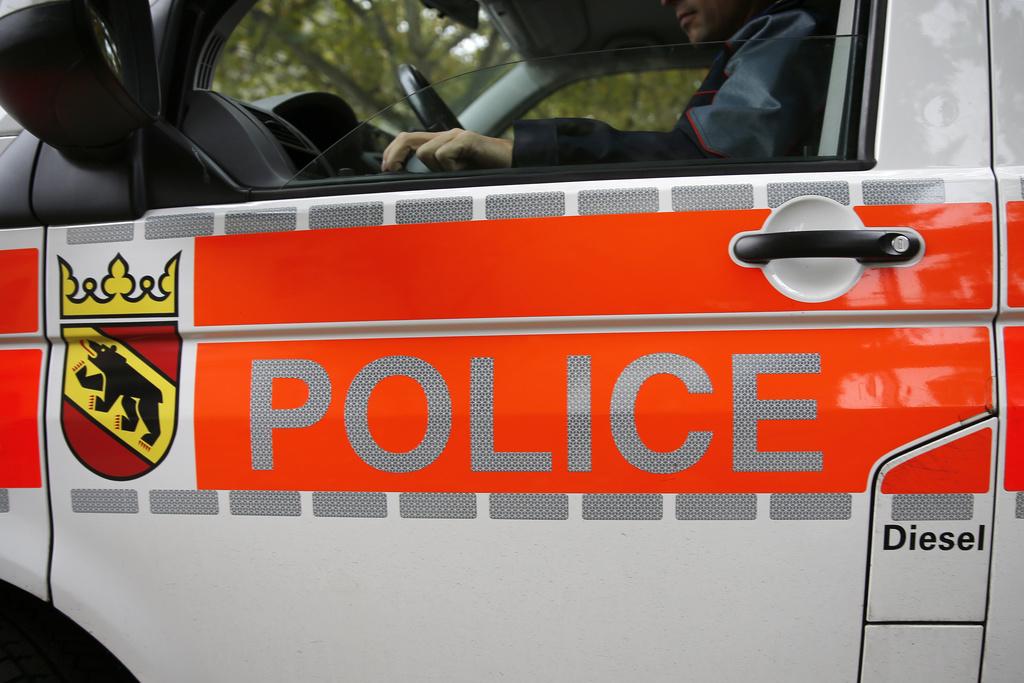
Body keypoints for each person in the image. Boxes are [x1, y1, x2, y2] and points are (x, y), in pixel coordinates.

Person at [381, 0, 837, 172]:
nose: (665, 0)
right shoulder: (751, 46)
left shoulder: (797, 28)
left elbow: (707, 161)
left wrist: (515, 151)